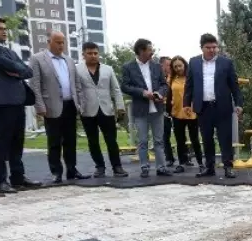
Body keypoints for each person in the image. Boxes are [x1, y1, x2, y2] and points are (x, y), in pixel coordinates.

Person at [0, 16, 41, 193]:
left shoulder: (11, 50)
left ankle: (18, 178)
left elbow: (27, 70)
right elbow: (6, 64)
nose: (4, 31)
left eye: (5, 28)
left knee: (17, 142)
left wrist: (14, 71)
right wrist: (15, 70)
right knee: (3, 142)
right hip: (4, 100)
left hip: (18, 100)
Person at [30, 30, 88, 183]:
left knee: (70, 140)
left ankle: (72, 169)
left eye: (63, 42)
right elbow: (35, 84)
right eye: (58, 42)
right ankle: (56, 172)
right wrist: (39, 106)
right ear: (49, 42)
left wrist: (80, 102)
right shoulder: (37, 59)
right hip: (51, 106)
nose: (61, 45)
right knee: (54, 141)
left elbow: (76, 83)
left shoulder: (68, 60)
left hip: (70, 105)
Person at [184, 33, 243, 179]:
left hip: (222, 106)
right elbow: (189, 84)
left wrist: (239, 104)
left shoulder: (226, 62)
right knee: (207, 138)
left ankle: (228, 167)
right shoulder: (194, 62)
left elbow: (234, 86)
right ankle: (209, 167)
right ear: (201, 48)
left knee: (225, 137)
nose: (212, 50)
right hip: (203, 107)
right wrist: (186, 103)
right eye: (208, 47)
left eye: (214, 47)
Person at [75, 42, 128, 177]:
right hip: (87, 110)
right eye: (89, 53)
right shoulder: (77, 69)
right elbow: (76, 90)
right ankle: (99, 167)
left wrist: (120, 107)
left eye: (95, 53)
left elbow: (115, 89)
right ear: (83, 55)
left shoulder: (108, 69)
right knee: (92, 141)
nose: (93, 56)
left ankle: (117, 167)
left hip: (107, 110)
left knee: (111, 140)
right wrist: (78, 107)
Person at [120, 38, 171, 178]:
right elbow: (125, 86)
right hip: (140, 109)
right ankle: (144, 167)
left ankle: (161, 167)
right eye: (149, 49)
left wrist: (159, 93)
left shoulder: (156, 66)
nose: (152, 52)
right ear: (141, 51)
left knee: (159, 140)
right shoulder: (128, 67)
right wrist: (142, 93)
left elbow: (164, 84)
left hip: (157, 107)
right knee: (142, 140)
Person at [166, 55, 201, 172]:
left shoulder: (191, 77)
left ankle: (201, 162)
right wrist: (168, 110)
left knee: (194, 138)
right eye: (175, 66)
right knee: (180, 140)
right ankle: (182, 162)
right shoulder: (171, 79)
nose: (178, 68)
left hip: (191, 112)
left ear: (184, 65)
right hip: (176, 113)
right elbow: (169, 95)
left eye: (180, 66)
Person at [159, 55, 177, 169]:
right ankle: (169, 158)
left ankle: (185, 157)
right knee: (165, 134)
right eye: (168, 65)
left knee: (180, 133)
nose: (171, 67)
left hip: (176, 108)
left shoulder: (175, 77)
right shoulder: (158, 78)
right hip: (163, 108)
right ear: (161, 66)